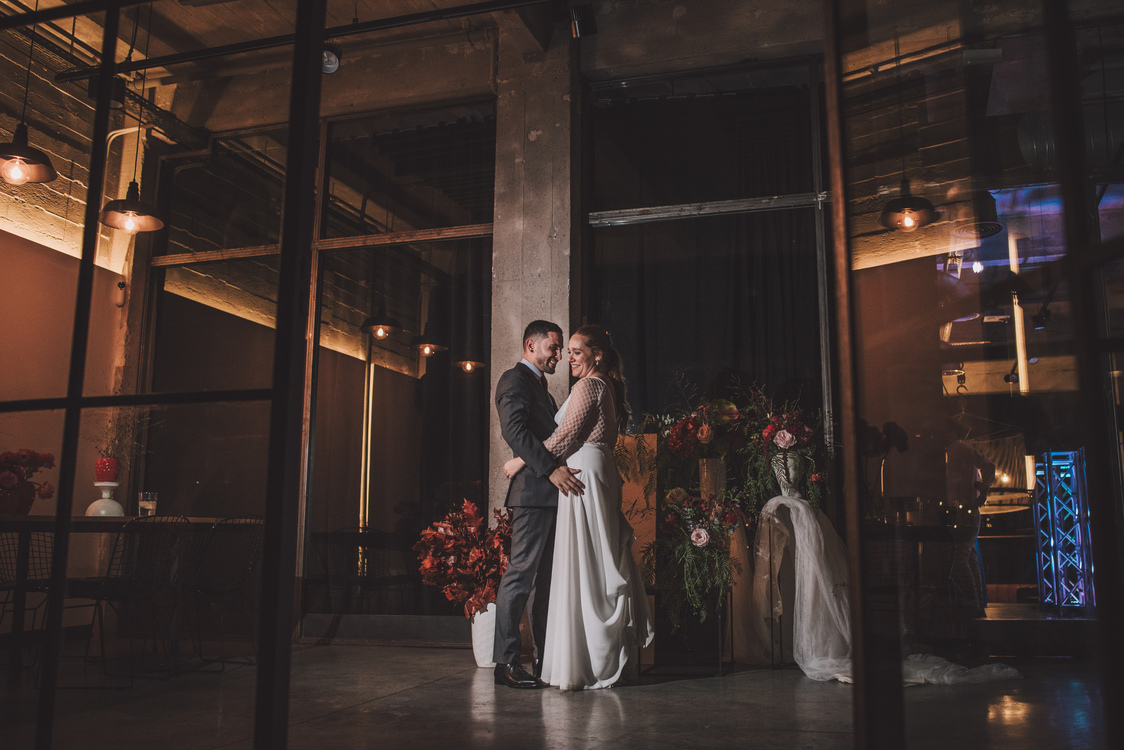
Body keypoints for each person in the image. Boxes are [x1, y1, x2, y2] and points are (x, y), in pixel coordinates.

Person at [503, 325, 655, 690]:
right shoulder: (597, 384)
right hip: (585, 474)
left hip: (580, 475)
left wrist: (520, 462)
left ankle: (586, 657)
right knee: (585, 563)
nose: (566, 357)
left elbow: (566, 436)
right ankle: (549, 656)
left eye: (573, 350)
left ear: (596, 354)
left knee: (585, 563)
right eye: (561, 349)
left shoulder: (589, 385)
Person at [492, 320, 586, 690]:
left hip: (549, 496)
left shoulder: (542, 390)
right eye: (554, 348)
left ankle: (545, 661)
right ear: (532, 344)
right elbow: (513, 431)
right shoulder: (514, 380)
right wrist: (550, 471)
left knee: (545, 584)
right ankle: (506, 663)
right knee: (520, 577)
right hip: (533, 495)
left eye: (562, 350)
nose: (559, 356)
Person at [945, 421, 995, 617]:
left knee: (960, 560)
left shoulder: (961, 449)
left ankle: (973, 605)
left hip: (965, 512)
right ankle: (977, 605)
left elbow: (989, 465)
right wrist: (983, 491)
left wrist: (984, 490)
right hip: (966, 512)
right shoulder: (955, 450)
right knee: (969, 558)